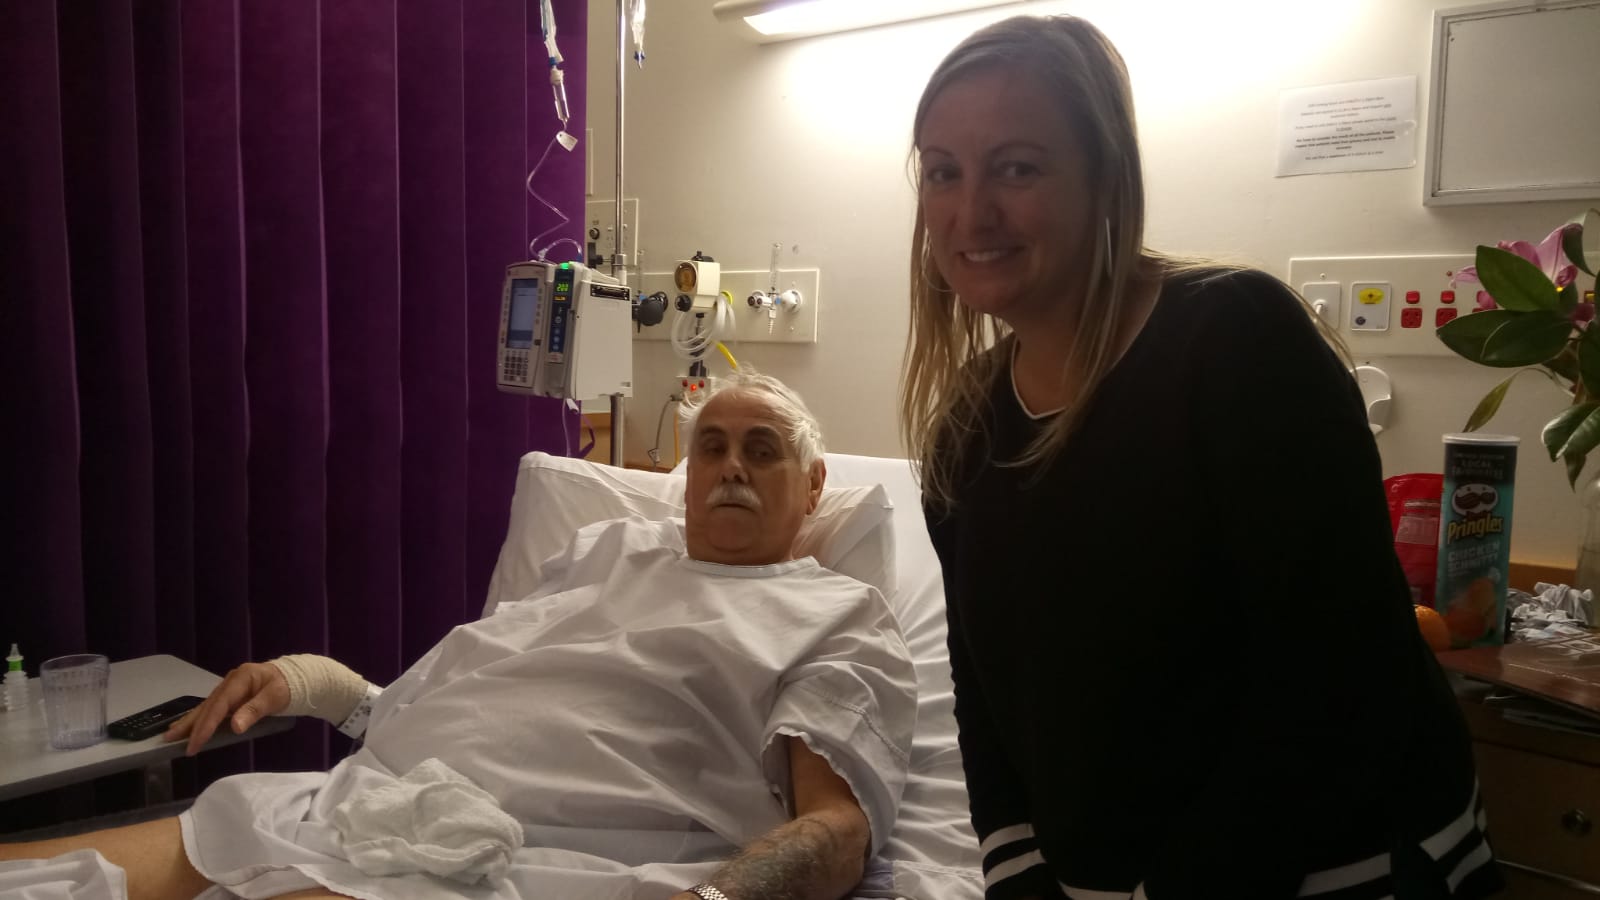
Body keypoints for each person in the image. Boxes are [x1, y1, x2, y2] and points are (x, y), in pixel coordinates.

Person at [899, 15, 1499, 900]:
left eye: (1017, 168)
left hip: (1339, 866)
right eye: (943, 172)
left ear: (1107, 177)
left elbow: (1337, 682)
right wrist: (1020, 870)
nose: (972, 212)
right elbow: (987, 694)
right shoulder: (966, 426)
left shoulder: (1234, 341)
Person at [1, 371, 916, 900]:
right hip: (364, 800)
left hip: (524, 861)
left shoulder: (836, 615)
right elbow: (477, 695)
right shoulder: (607, 549)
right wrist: (317, 684)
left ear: (814, 484)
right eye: (711, 446)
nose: (730, 467)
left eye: (763, 449)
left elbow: (836, 828)